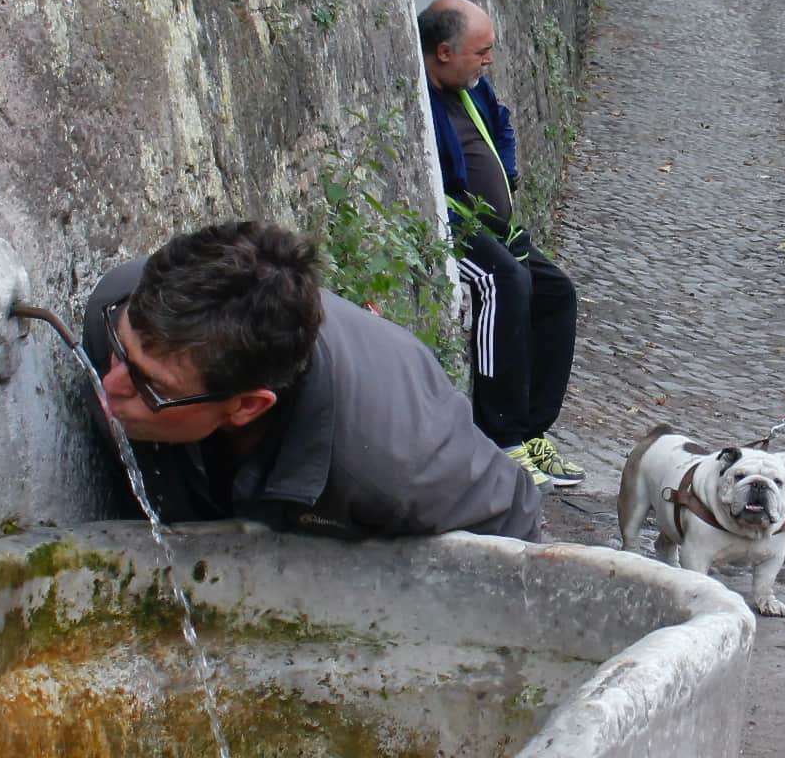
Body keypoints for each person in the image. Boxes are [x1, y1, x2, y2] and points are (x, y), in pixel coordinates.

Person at [81, 220, 541, 541]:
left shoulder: (400, 465)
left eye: (150, 386)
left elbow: (513, 531)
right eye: (121, 351)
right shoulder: (120, 306)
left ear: (247, 406)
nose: (109, 384)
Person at [419, 0, 584, 492]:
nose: (488, 60)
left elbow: (505, 123)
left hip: (495, 228)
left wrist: (506, 175)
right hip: (454, 227)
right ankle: (500, 435)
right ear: (444, 52)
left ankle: (533, 429)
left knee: (556, 293)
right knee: (503, 282)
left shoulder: (472, 88)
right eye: (481, 51)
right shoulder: (422, 97)